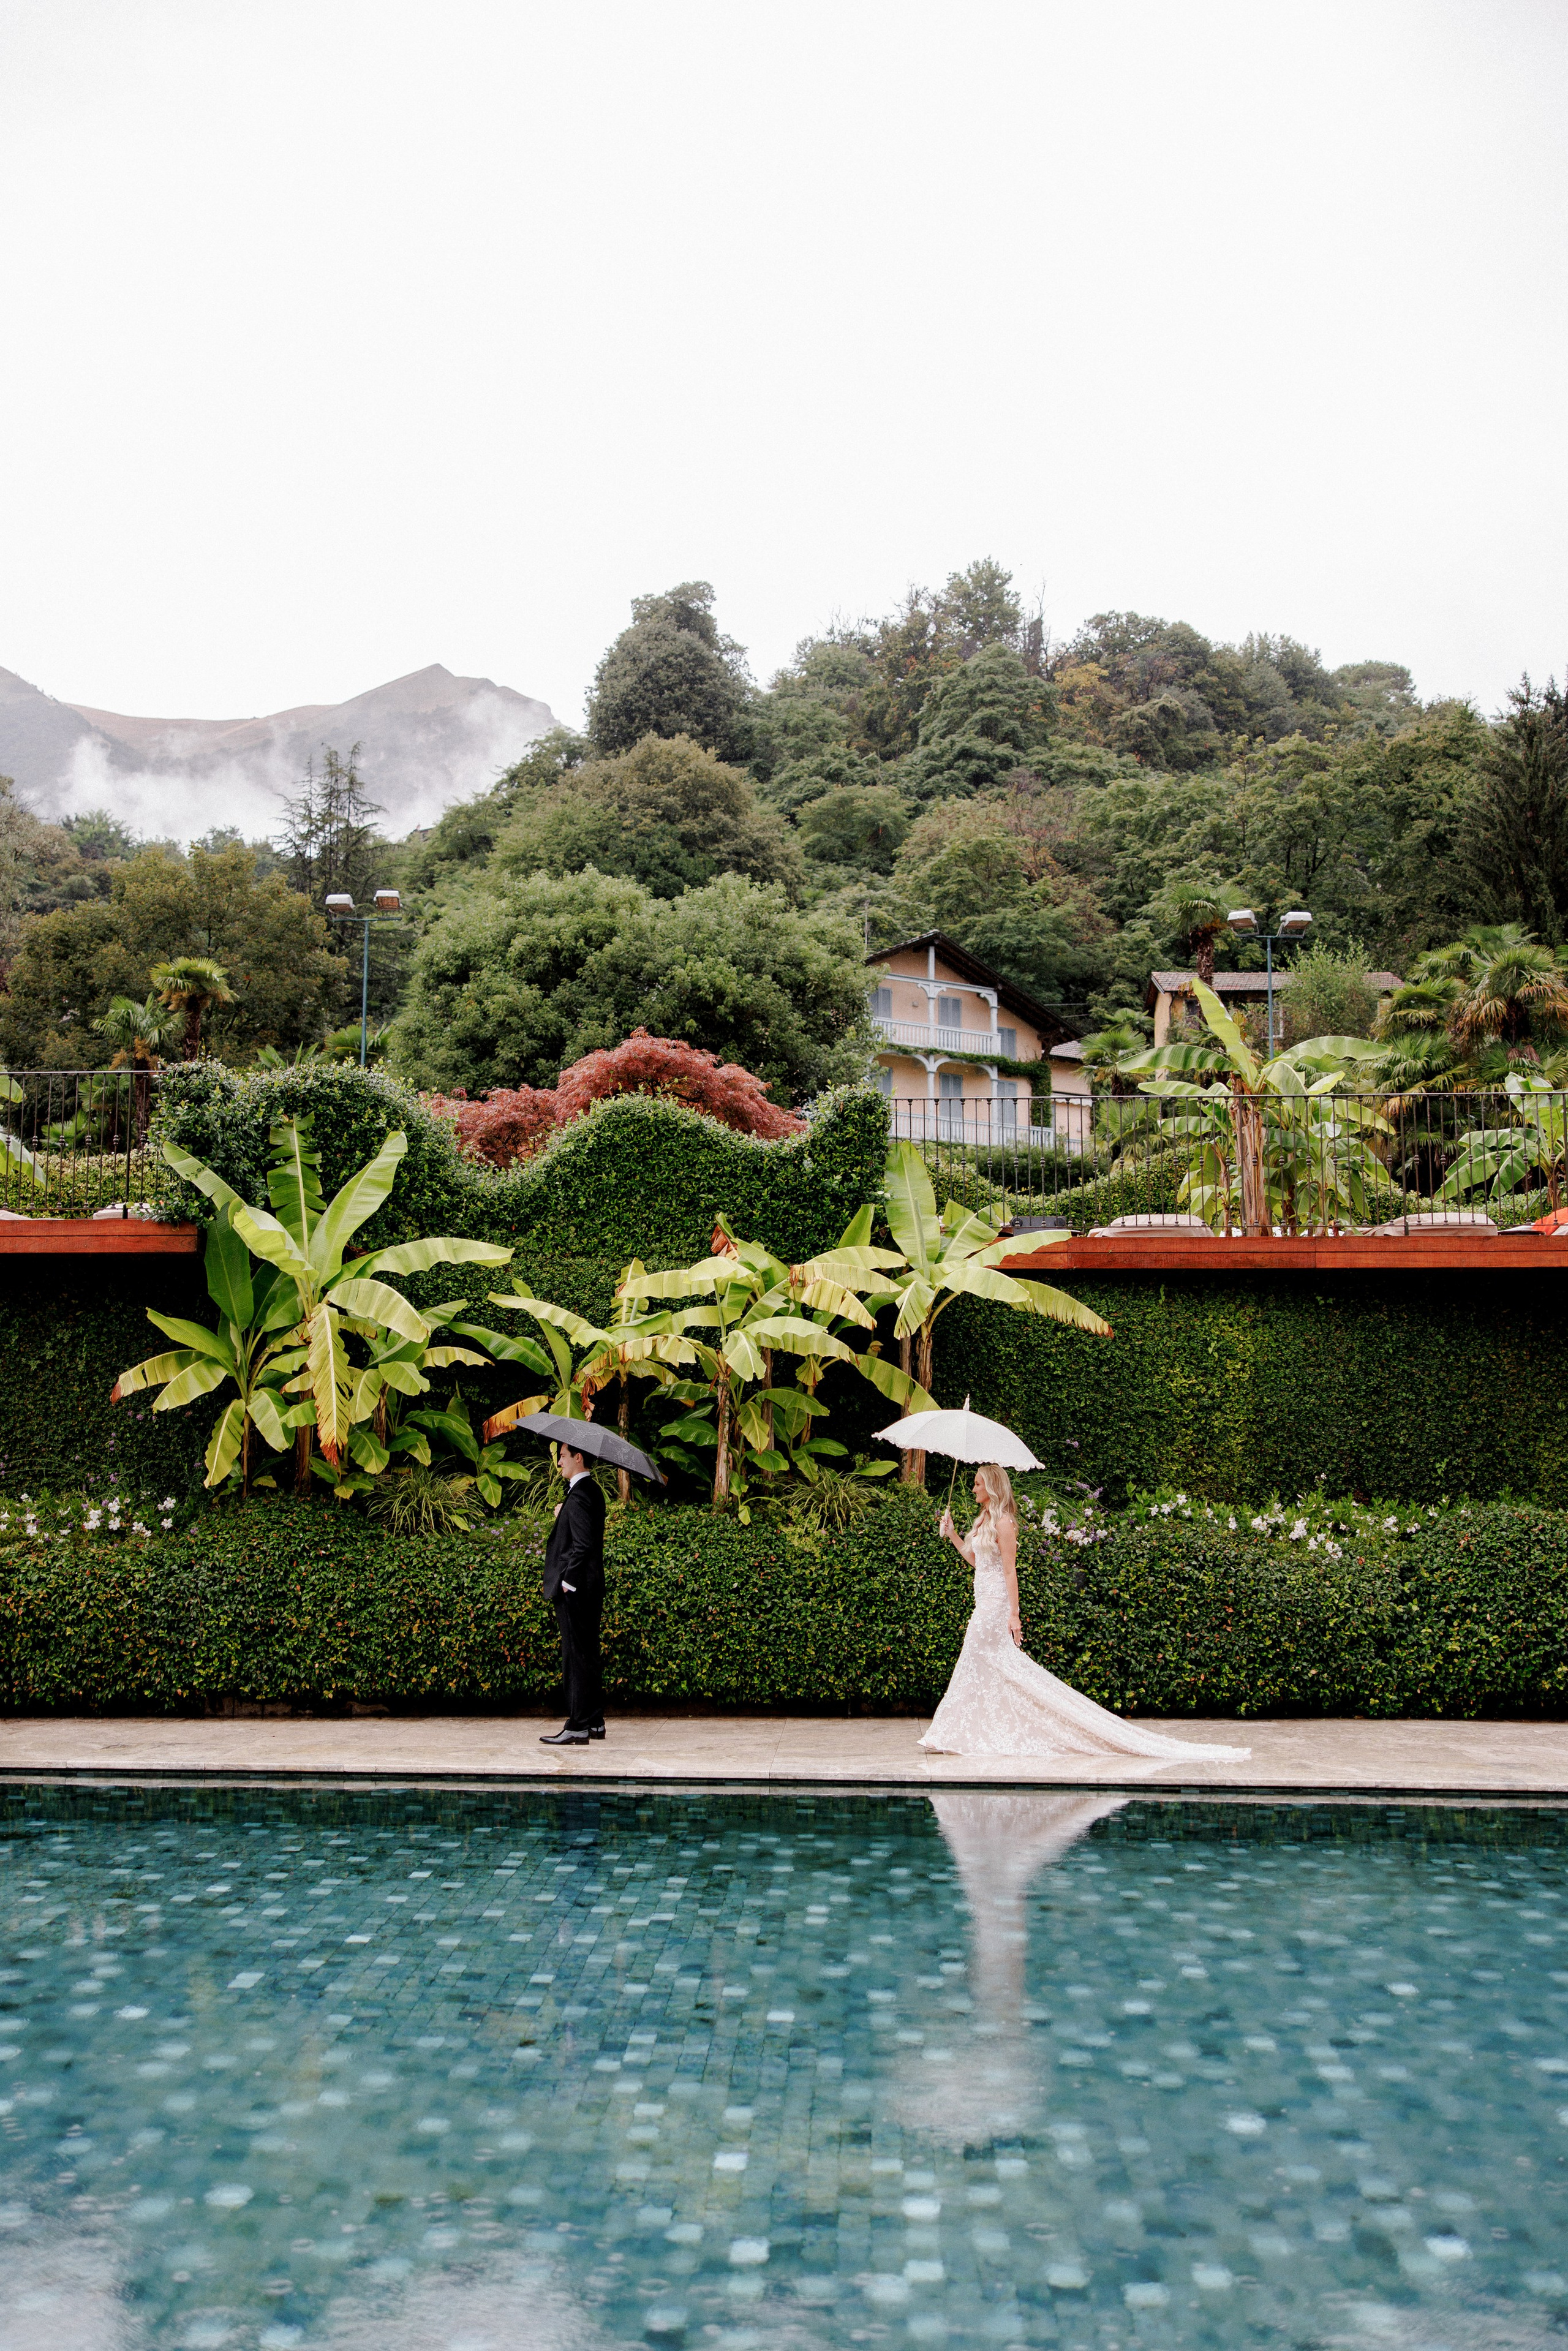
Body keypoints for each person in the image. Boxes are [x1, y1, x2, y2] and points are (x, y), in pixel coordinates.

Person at [919, 1462, 1248, 1762]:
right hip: (983, 1601)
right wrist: (951, 1533)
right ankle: (967, 1731)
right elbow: (976, 1561)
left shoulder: (1005, 1524)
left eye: (977, 1484)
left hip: (995, 1607)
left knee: (979, 1660)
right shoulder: (984, 1522)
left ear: (991, 1487)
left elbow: (1009, 1572)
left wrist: (1014, 1615)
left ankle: (957, 1731)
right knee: (984, 1664)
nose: (973, 1489)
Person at [539, 1442, 607, 1747]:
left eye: (563, 1457)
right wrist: (563, 1512)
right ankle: (594, 1721)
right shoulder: (590, 1492)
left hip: (577, 1589)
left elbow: (582, 1545)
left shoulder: (579, 1497)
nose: (560, 1464)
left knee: (575, 1657)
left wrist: (567, 1582)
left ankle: (578, 1725)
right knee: (588, 1654)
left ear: (578, 1457)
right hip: (590, 1586)